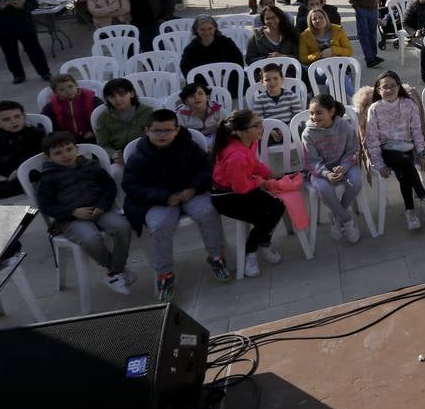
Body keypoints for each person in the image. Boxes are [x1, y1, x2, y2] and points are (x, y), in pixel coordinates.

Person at [122, 110, 230, 301]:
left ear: (177, 130)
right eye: (157, 131)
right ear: (147, 131)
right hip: (159, 200)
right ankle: (165, 273)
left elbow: (206, 169)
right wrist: (165, 197)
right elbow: (132, 186)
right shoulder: (139, 155)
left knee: (208, 211)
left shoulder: (188, 146)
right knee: (160, 224)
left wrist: (193, 188)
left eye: (167, 130)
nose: (162, 135)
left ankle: (216, 256)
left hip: (190, 192)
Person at [35, 131, 136, 294]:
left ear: (77, 148)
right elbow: (46, 206)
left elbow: (109, 187)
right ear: (48, 157)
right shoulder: (48, 178)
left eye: (69, 149)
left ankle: (115, 272)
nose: (65, 155)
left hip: (99, 210)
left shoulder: (91, 166)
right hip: (70, 219)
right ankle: (117, 270)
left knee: (123, 226)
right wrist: (72, 212)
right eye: (58, 153)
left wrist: (102, 206)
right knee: (91, 238)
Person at [210, 109, 288, 277]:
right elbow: (241, 188)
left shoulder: (248, 142)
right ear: (240, 131)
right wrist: (262, 182)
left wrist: (268, 173)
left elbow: (252, 163)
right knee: (264, 216)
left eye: (261, 124)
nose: (262, 128)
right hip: (227, 198)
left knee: (277, 207)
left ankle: (262, 240)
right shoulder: (236, 155)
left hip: (241, 188)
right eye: (257, 125)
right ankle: (252, 250)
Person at [364, 72, 425, 229]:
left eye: (393, 86)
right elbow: (372, 139)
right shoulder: (374, 109)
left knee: (402, 171)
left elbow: (417, 132)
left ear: (399, 87)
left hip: (408, 147)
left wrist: (421, 154)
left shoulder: (409, 104)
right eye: (385, 87)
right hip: (387, 150)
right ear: (378, 90)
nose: (389, 90)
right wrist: (379, 164)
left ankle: (410, 212)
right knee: (405, 161)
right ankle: (424, 199)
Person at [301, 94, 363, 244]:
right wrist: (326, 173)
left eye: (319, 112)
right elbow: (312, 161)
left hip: (345, 165)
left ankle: (336, 214)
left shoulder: (344, 126)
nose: (314, 117)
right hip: (319, 171)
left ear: (331, 111)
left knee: (355, 182)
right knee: (324, 190)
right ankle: (346, 220)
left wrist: (344, 166)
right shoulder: (308, 133)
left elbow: (353, 149)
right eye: (311, 113)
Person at [0, 100, 46, 198]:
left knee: (37, 177)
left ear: (24, 116)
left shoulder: (36, 133)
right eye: (6, 119)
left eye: (17, 116)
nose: (13, 121)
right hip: (2, 178)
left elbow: (40, 156)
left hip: (29, 174)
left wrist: (19, 171)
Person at [180, 14, 245, 96]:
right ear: (196, 30)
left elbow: (238, 62)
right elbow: (186, 69)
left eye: (210, 28)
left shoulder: (226, 43)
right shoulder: (191, 49)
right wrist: (208, 78)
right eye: (202, 29)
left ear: (215, 28)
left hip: (228, 80)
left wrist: (224, 77)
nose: (206, 32)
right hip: (202, 85)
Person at [42, 74, 101, 143]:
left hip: (91, 134)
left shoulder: (91, 99)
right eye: (62, 89)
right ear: (55, 92)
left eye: (70, 87)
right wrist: (59, 135)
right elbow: (44, 121)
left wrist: (93, 131)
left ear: (76, 85)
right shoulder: (52, 105)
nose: (68, 91)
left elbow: (101, 115)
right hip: (66, 139)